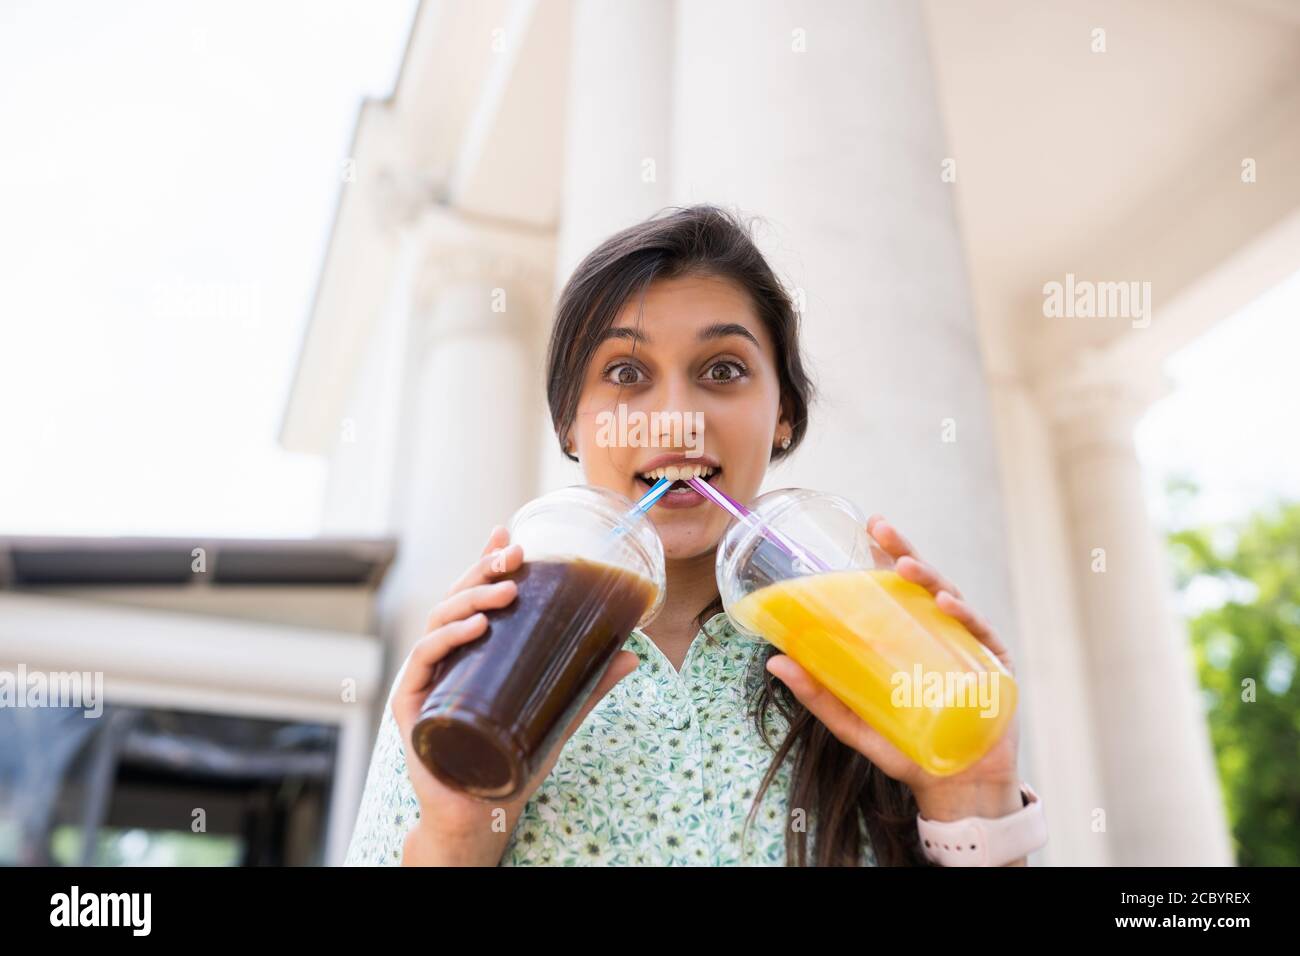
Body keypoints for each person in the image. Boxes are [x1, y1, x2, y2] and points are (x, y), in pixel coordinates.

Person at [344, 204, 1028, 866]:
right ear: (570, 427)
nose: (674, 420)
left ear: (782, 412)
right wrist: (460, 839)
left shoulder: (888, 656)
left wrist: (970, 796)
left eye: (722, 370)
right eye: (625, 373)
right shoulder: (471, 672)